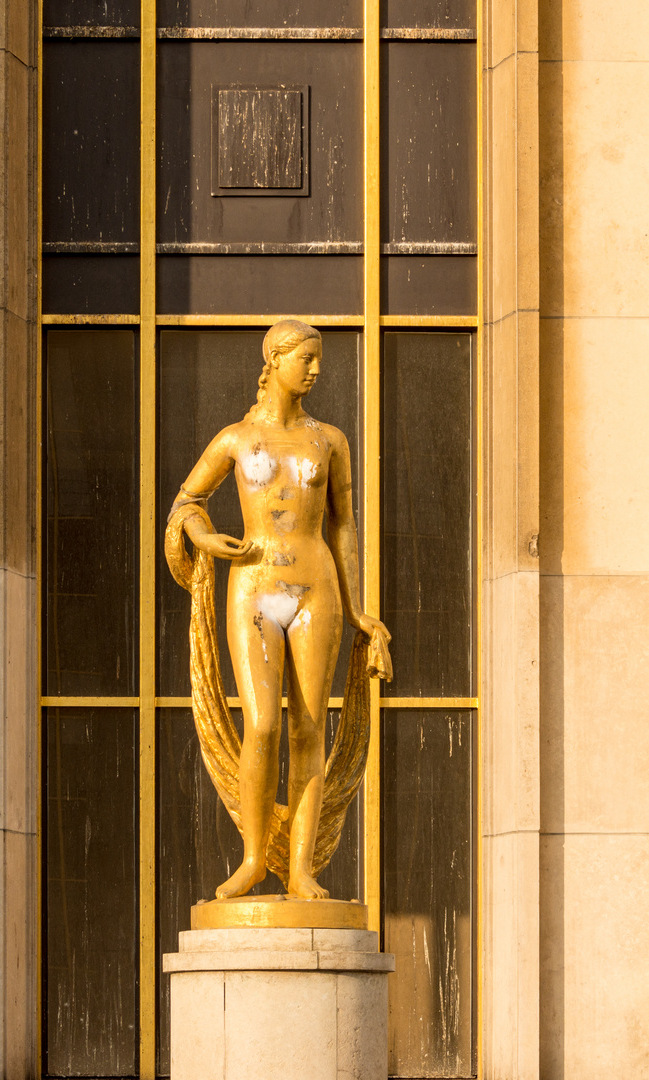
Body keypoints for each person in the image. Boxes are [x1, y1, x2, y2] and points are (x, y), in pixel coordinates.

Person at [167, 319, 391, 900]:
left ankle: (301, 871)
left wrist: (358, 605)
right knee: (262, 723)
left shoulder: (330, 441)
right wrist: (207, 537)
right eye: (307, 358)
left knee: (308, 727)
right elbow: (187, 501)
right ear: (276, 359)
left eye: (318, 359)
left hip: (316, 586)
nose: (316, 369)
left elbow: (344, 524)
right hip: (255, 584)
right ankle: (251, 858)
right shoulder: (236, 439)